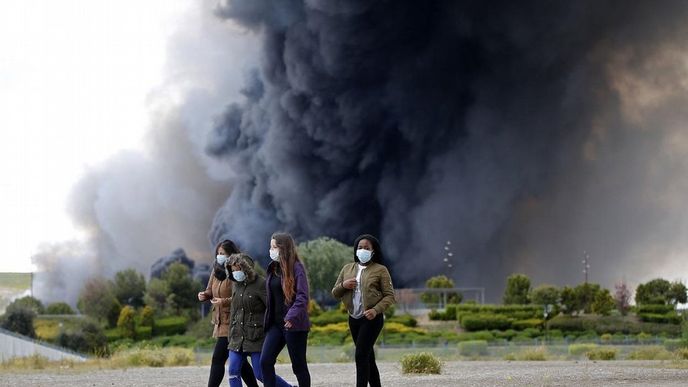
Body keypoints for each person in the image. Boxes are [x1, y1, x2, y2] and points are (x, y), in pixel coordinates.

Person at [332, 234, 396, 387]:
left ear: (373, 251)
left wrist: (375, 310)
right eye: (360, 248)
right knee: (368, 358)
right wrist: (344, 285)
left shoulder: (380, 270)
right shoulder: (347, 268)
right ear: (355, 250)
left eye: (367, 248)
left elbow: (390, 296)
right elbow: (335, 292)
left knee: (360, 355)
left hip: (371, 319)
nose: (362, 250)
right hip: (353, 319)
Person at [226, 253, 293, 387]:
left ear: (246, 267)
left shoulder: (262, 283)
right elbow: (234, 311)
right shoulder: (236, 285)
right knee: (233, 371)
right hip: (237, 338)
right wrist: (230, 334)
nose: (235, 273)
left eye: (238, 269)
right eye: (232, 270)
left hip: (257, 338)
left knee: (261, 375)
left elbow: (272, 307)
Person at [197, 239, 258, 387]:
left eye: (223, 253)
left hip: (234, 321)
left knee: (218, 358)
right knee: (240, 362)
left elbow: (241, 295)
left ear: (231, 254)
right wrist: (205, 295)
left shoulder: (236, 271)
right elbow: (210, 289)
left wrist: (223, 301)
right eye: (218, 253)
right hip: (220, 321)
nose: (219, 256)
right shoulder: (216, 269)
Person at [260, 232, 311, 387]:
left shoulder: (297, 268)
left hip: (294, 325)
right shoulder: (272, 268)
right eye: (270, 247)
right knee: (265, 362)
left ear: (284, 248)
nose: (271, 250)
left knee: (299, 366)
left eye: (274, 247)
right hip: (275, 325)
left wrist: (291, 317)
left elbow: (302, 297)